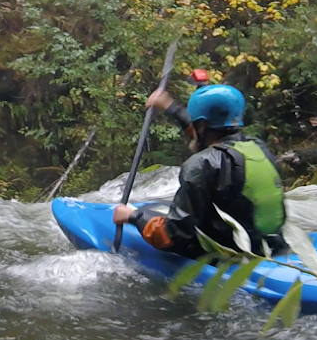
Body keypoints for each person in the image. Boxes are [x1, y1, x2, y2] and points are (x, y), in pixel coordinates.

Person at [113, 84, 288, 259]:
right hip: (269, 245)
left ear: (202, 125)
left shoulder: (203, 164)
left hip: (229, 253)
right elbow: (205, 132)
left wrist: (134, 217)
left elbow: (173, 236)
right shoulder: (258, 147)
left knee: (149, 209)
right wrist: (170, 106)